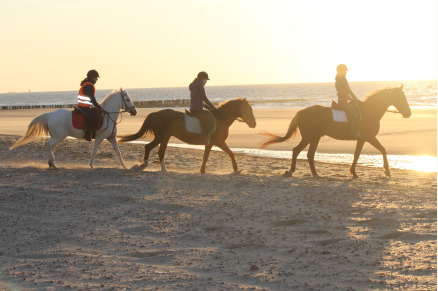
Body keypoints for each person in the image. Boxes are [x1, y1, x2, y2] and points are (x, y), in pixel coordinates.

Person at [189, 71, 217, 144]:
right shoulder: (200, 86)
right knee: (211, 120)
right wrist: (213, 108)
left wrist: (208, 107)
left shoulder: (194, 85)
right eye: (205, 80)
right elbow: (204, 98)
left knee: (208, 115)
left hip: (193, 108)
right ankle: (204, 137)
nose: (206, 82)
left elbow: (199, 100)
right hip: (197, 110)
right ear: (202, 79)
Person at [335, 64, 360, 137]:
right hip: (343, 101)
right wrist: (355, 98)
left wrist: (350, 98)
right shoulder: (342, 80)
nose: (346, 72)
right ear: (341, 71)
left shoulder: (337, 79)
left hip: (342, 99)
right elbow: (348, 90)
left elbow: (343, 91)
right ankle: (352, 131)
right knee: (355, 113)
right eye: (345, 71)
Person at [77, 69, 102, 141]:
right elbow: (92, 98)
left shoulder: (87, 84)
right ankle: (87, 134)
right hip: (84, 107)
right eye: (96, 77)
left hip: (85, 106)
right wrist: (98, 107)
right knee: (95, 118)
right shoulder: (89, 85)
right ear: (92, 77)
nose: (97, 79)